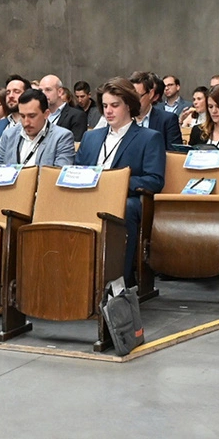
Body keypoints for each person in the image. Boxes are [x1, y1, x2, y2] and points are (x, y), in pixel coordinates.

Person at [75, 77, 165, 287]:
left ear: (129, 106)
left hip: (126, 199)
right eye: (105, 106)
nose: (108, 111)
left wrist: (117, 183)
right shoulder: (91, 138)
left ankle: (118, 283)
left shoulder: (149, 137)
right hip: (88, 195)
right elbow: (77, 171)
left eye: (115, 105)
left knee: (123, 208)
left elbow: (155, 181)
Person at [0, 89, 75, 167]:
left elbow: (56, 175)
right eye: (22, 116)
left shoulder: (62, 137)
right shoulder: (9, 134)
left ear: (46, 114)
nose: (26, 122)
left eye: (32, 116)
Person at [130, 71, 181, 149]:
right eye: (130, 96)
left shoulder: (167, 120)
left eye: (137, 96)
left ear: (151, 94)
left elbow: (174, 155)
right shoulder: (122, 119)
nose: (132, 100)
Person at [38, 74, 88, 141]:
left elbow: (75, 145)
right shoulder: (38, 114)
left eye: (48, 90)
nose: (43, 94)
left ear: (60, 92)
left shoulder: (76, 116)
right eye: (41, 91)